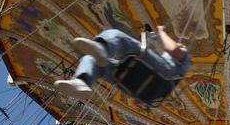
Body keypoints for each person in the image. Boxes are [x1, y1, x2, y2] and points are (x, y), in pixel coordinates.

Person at [54, 25, 192, 100]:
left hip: (161, 75)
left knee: (117, 35)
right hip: (142, 89)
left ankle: (103, 47)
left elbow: (172, 48)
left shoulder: (184, 57)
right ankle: (82, 81)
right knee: (91, 58)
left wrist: (162, 32)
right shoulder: (170, 64)